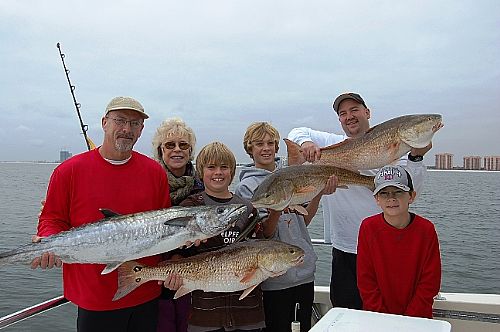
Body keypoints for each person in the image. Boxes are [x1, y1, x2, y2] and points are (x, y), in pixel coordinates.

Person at [32, 96, 172, 332]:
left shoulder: (155, 172)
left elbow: (165, 225)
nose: (126, 129)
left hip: (146, 292)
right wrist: (48, 241)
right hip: (93, 297)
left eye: (135, 123)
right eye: (120, 120)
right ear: (104, 122)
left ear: (141, 130)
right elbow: (51, 218)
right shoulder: (69, 170)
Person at [287, 92, 433, 309]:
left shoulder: (399, 151)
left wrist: (416, 156)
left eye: (354, 110)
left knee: (385, 312)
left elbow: (413, 191)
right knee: (347, 310)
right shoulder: (332, 143)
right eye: (343, 113)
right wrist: (306, 143)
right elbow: (297, 131)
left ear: (367, 112)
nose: (349, 116)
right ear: (339, 120)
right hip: (345, 248)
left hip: (383, 248)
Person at [234, 122, 336, 332]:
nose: (266, 148)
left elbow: (304, 221)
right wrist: (278, 208)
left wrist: (317, 193)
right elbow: (264, 234)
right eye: (259, 144)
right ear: (249, 149)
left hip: (304, 271)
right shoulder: (246, 187)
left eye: (271, 143)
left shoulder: (291, 175)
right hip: (273, 279)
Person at [179, 141, 265, 332]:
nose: (218, 172)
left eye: (224, 167)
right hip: (205, 313)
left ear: (232, 172)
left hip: (247, 312)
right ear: (201, 172)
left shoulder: (248, 209)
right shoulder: (190, 207)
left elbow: (260, 248)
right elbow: (177, 253)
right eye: (211, 167)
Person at [357, 165, 441, 318]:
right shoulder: (367, 228)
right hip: (377, 318)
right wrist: (384, 317)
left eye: (398, 192)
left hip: (418, 318)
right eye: (384, 193)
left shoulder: (426, 229)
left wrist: (409, 318)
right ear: (376, 199)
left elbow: (430, 281)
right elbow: (365, 280)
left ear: (411, 196)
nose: (391, 198)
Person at [152, 118, 204, 332]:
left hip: (195, 274)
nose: (177, 150)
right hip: (154, 273)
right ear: (160, 150)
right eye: (170, 145)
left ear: (190, 151)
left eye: (183, 145)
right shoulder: (149, 181)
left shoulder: (201, 185)